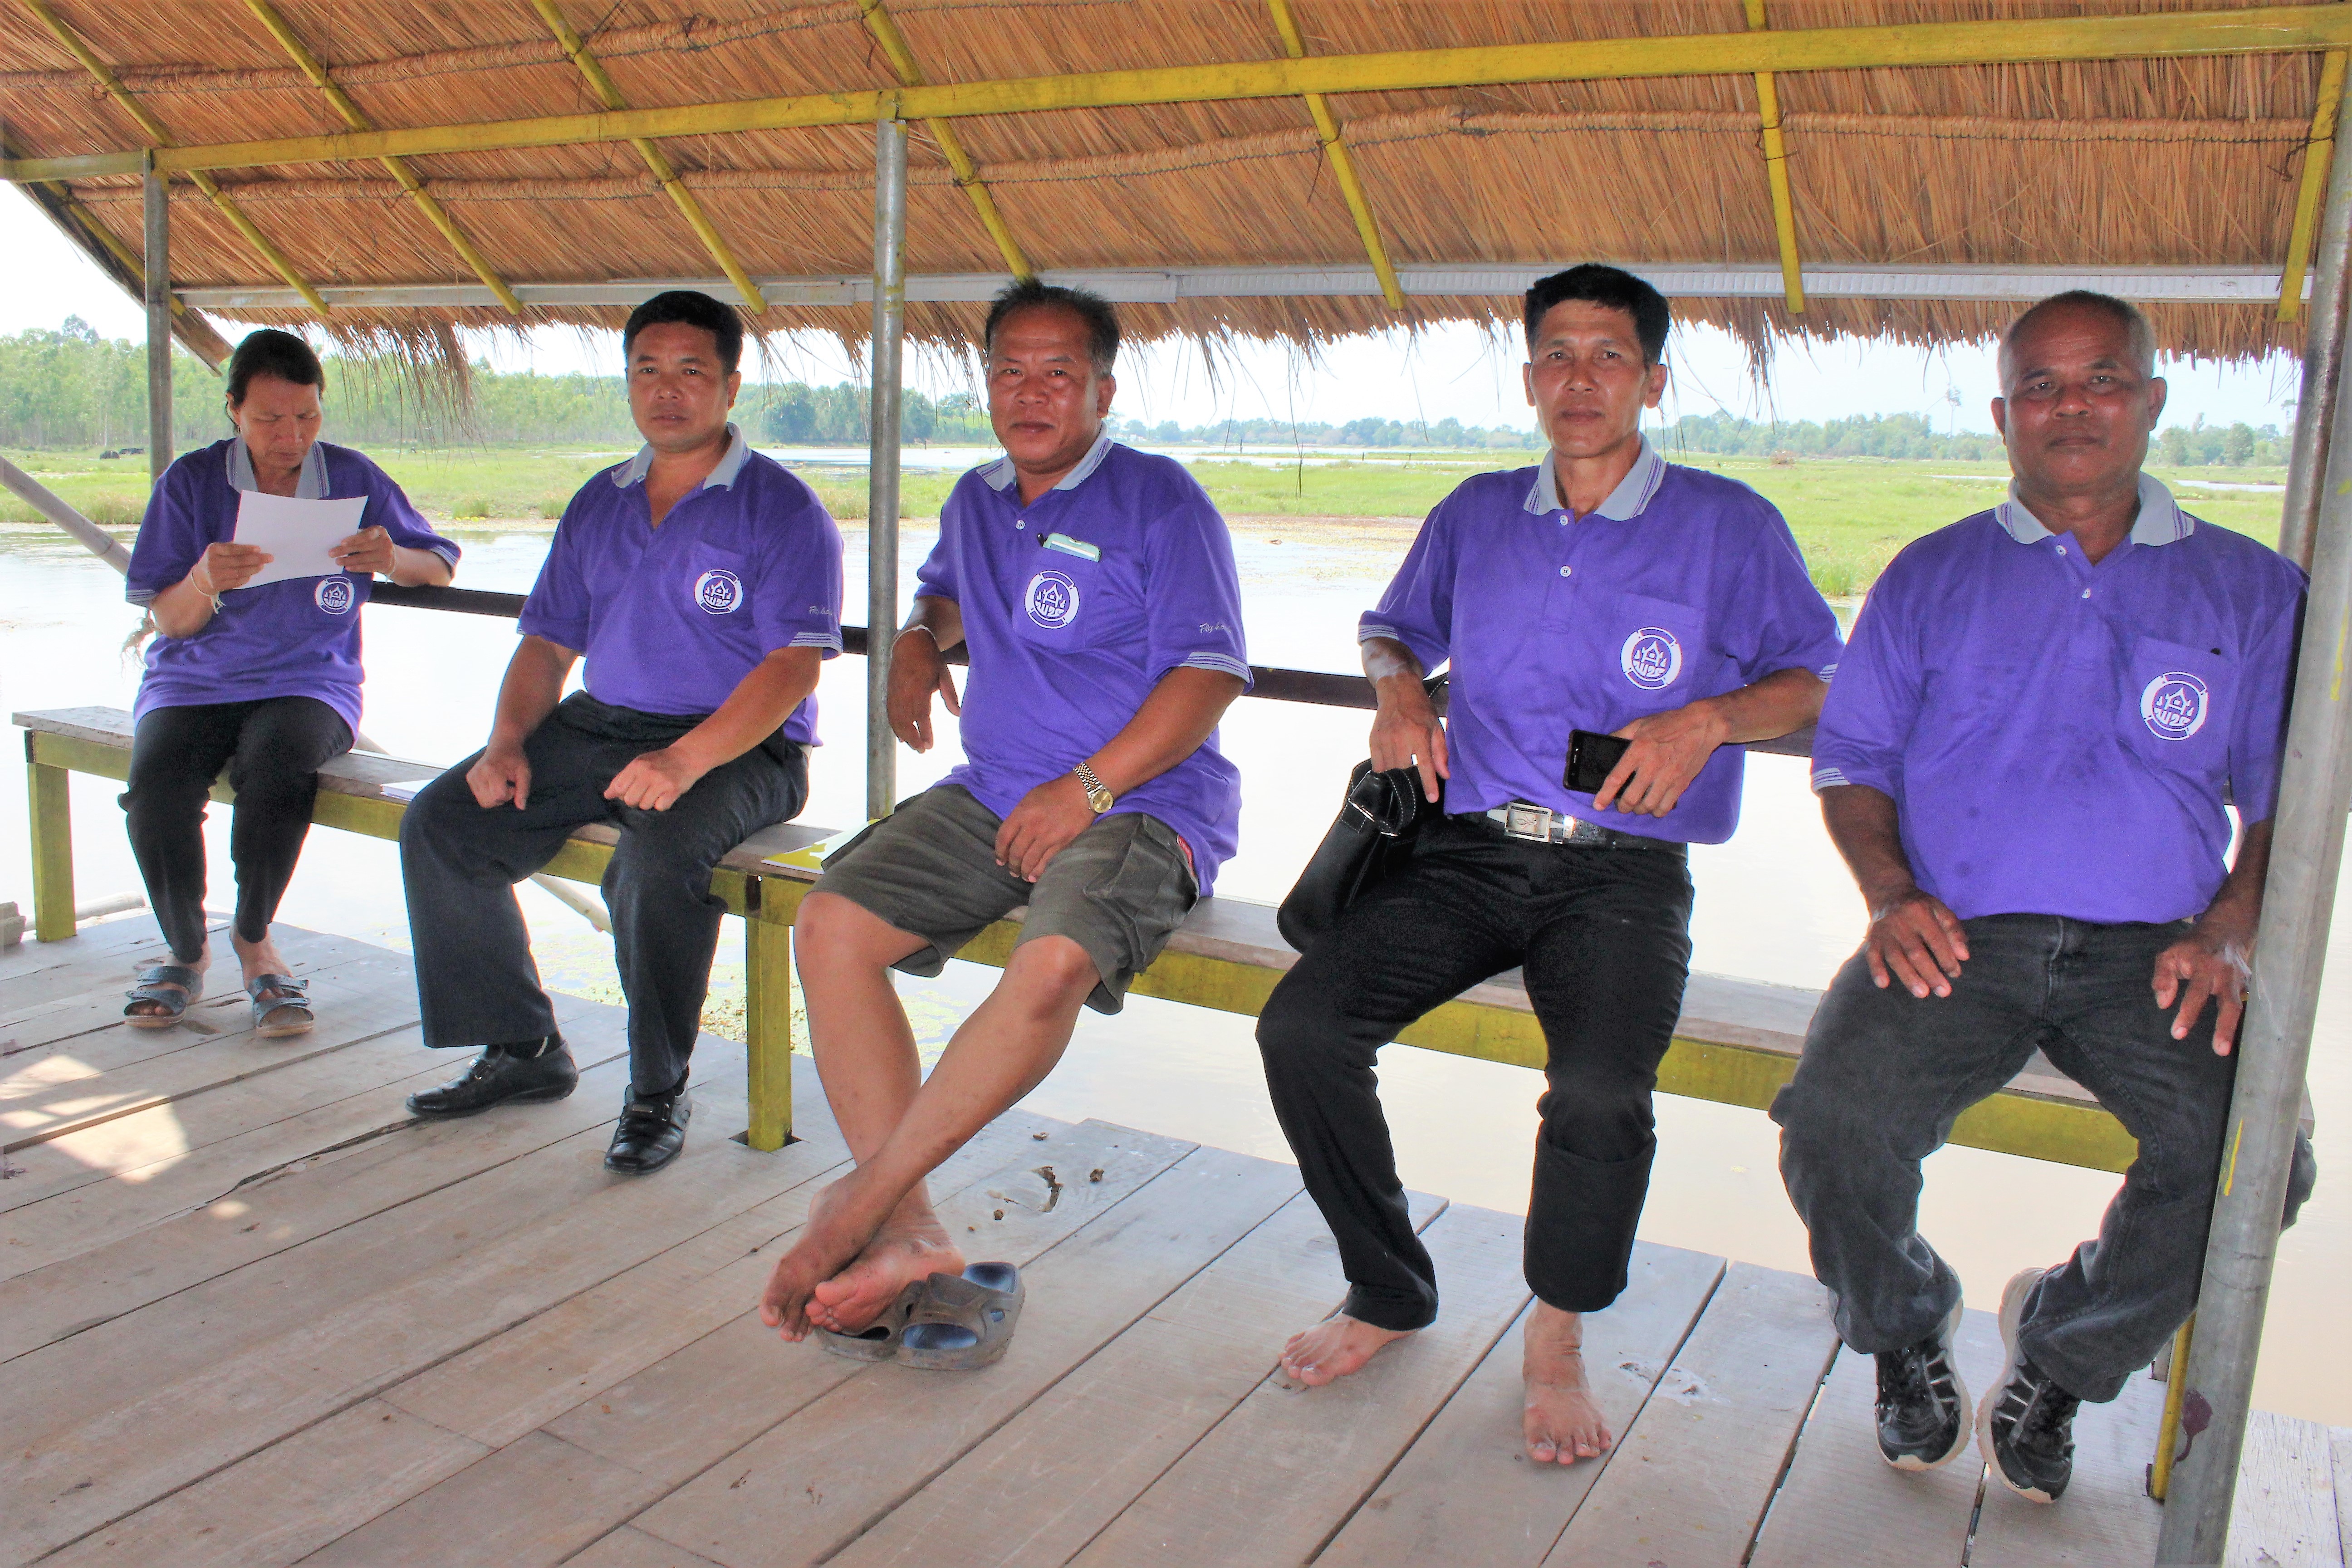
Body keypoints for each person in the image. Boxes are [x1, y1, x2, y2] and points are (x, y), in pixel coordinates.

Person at [1253, 264, 1841, 1465]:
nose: (1581, 378)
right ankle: (1388, 1288)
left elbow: (1818, 681)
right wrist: (1399, 692)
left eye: (1609, 356)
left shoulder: (1730, 524)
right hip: (1466, 854)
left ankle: (1557, 1332)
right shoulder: (1477, 512)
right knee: (1303, 1025)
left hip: (1622, 874)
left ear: (1654, 380)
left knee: (1597, 1095)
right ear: (1530, 379)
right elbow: (1389, 626)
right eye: (1557, 355)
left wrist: (1710, 720)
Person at [1774, 290, 2319, 1503]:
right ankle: (1908, 1325)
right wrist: (1890, 895)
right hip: (1956, 931)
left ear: (2154, 401)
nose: (2072, 406)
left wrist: (2231, 929)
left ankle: (2063, 1358)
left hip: (2158, 951)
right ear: (2003, 416)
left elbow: (2288, 803)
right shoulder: (1930, 575)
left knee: (2256, 1159)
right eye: (2042, 386)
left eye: (2103, 379)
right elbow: (1854, 765)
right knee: (1832, 1119)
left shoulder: (2252, 591)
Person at [756, 280, 1250, 1344]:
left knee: (1053, 962)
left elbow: (1207, 676)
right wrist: (916, 638)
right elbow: (944, 591)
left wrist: (1090, 789)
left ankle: (863, 1203)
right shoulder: (979, 498)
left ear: (1103, 391)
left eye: (1059, 373)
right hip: (992, 791)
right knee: (831, 924)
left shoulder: (1164, 502)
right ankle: (911, 1231)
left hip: (1141, 803)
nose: (1032, 394)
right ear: (987, 384)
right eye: (1009, 372)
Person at [397, 290, 842, 1176]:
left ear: (730, 387)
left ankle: (656, 1090)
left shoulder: (782, 509)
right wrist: (507, 741)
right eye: (648, 371)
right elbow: (549, 641)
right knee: (443, 823)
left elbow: (792, 667)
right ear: (628, 380)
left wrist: (684, 761)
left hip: (743, 741)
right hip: (604, 723)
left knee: (651, 864)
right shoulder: (600, 501)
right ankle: (523, 1046)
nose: (667, 391)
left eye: (691, 372)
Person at [119, 328, 458, 1035]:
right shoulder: (190, 482)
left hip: (311, 682)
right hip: (195, 681)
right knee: (156, 788)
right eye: (270, 419)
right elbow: (170, 620)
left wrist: (392, 556)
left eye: (306, 417)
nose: (290, 436)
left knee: (279, 770)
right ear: (234, 414)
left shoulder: (354, 478)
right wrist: (204, 579)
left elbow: (441, 566)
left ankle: (254, 939)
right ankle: (185, 948)